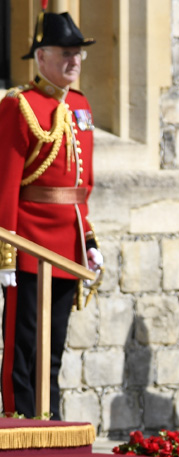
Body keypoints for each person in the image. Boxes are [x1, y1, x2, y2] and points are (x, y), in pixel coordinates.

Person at [0, 11, 102, 420]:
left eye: (78, 54)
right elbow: (6, 182)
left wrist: (89, 239)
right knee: (23, 341)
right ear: (41, 57)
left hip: (65, 246)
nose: (74, 62)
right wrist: (5, 250)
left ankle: (51, 420)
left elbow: (83, 187)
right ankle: (20, 418)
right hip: (27, 242)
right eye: (65, 54)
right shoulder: (19, 105)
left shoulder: (80, 105)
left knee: (54, 343)